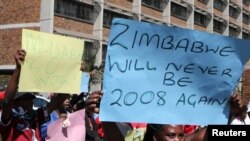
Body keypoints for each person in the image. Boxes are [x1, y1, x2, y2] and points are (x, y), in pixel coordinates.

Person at [0, 49, 68, 141]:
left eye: (30, 98)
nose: (30, 102)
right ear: (16, 102)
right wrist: (18, 69)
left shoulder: (36, 117)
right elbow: (7, 101)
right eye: (26, 99)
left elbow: (59, 100)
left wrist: (72, 73)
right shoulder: (8, 118)